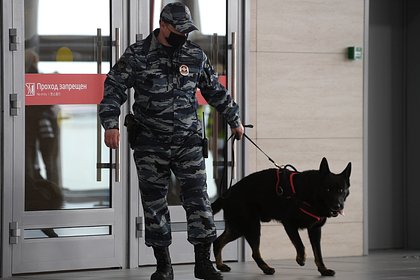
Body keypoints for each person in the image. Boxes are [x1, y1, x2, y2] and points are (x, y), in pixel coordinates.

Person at [99, 3, 244, 280]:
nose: (184, 35)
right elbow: (114, 86)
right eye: (179, 30)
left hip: (187, 141)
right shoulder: (138, 54)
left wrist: (234, 119)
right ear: (164, 25)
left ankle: (203, 262)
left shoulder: (194, 54)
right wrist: (110, 124)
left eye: (187, 30)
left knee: (199, 201)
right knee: (154, 205)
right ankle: (163, 266)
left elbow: (215, 91)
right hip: (150, 144)